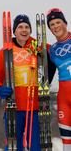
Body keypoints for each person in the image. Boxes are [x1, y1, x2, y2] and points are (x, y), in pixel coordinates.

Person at [0, 14, 56, 151]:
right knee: (14, 146)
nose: (24, 30)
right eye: (20, 27)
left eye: (27, 27)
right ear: (14, 31)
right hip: (14, 108)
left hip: (36, 108)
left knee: (36, 146)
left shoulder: (38, 48)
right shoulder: (4, 53)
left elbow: (54, 56)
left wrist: (47, 78)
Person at [46, 8, 71, 151]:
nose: (56, 26)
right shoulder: (52, 50)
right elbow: (47, 76)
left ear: (65, 23)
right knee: (67, 144)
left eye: (58, 22)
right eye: (52, 25)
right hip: (64, 101)